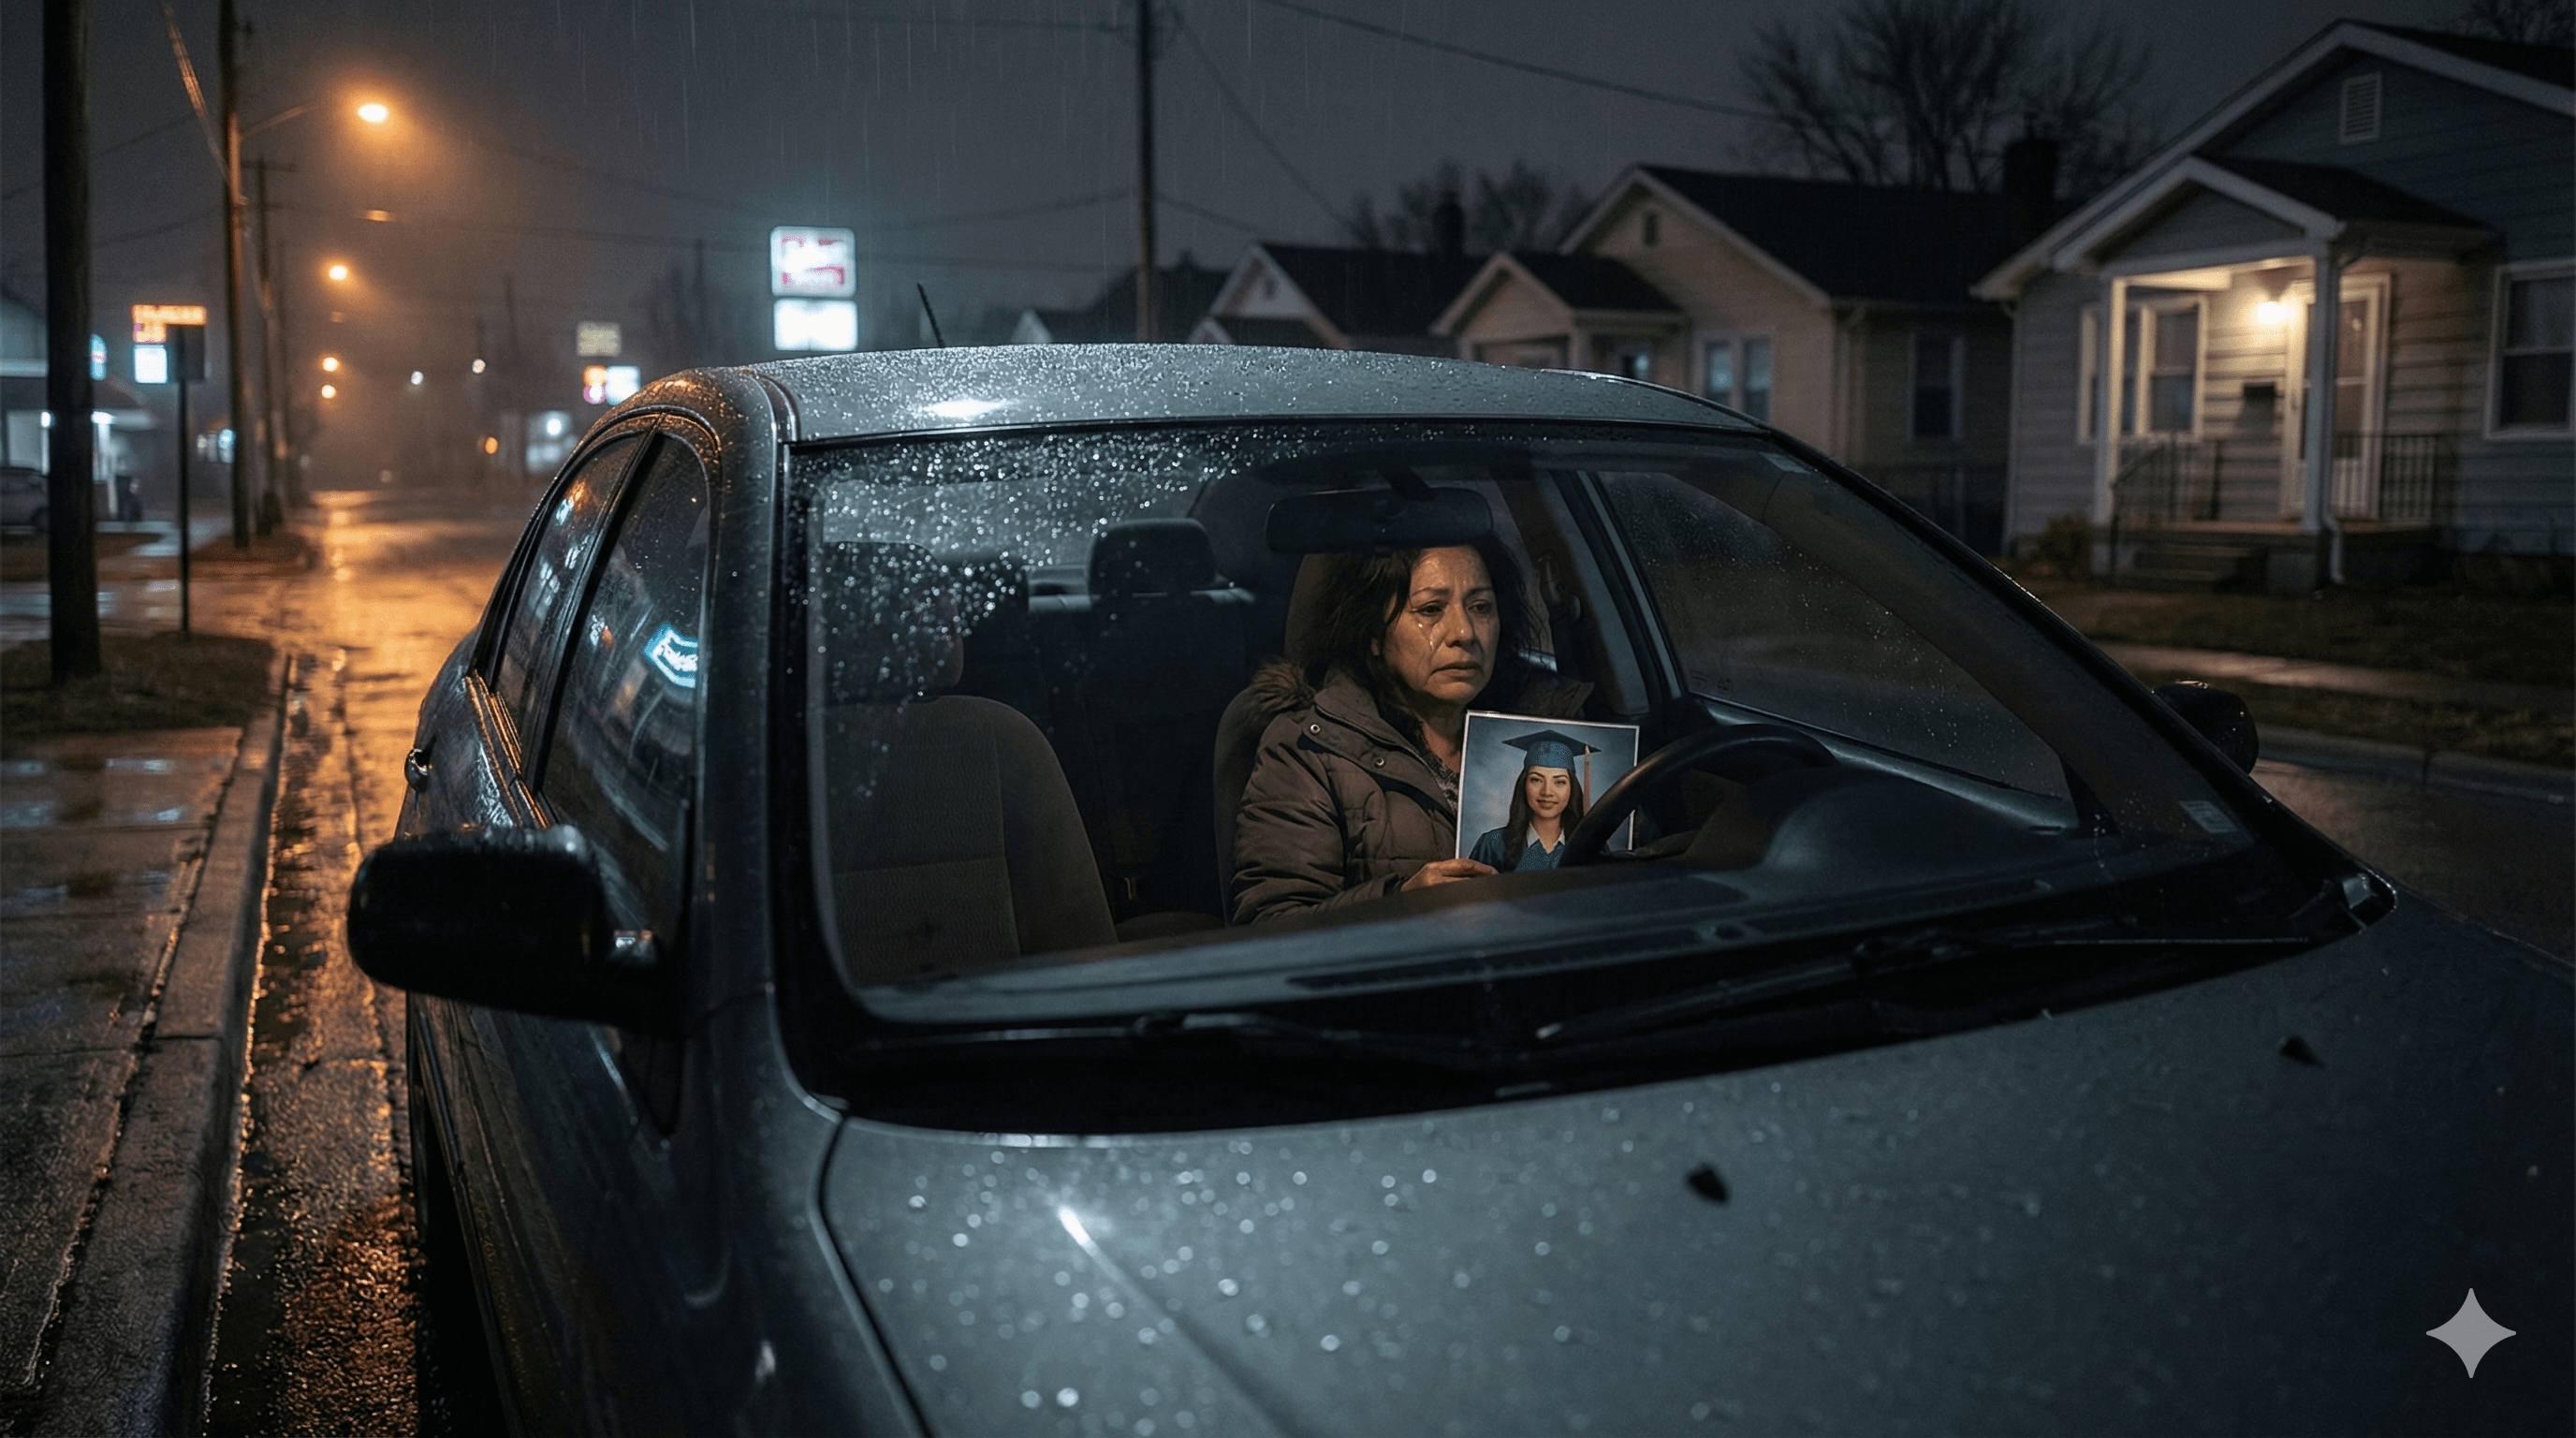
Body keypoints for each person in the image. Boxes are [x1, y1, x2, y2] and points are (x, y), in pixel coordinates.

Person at [1231, 539, 1585, 925]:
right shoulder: (1309, 746)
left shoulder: (1552, 723)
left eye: (1481, 607)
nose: (1464, 633)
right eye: (1431, 609)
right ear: (1373, 634)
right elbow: (1270, 925)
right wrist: (1401, 902)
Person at [1467, 729, 1597, 873]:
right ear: (1524, 785)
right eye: (1536, 780)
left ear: (1572, 789)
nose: (1547, 792)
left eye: (1559, 782)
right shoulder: (1492, 845)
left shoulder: (1591, 846)